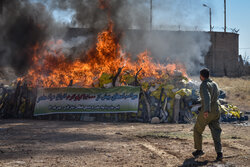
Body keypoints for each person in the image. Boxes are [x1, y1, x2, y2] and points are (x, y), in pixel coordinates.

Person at [192, 68, 223, 161]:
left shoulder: (204, 85)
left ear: (201, 76)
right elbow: (215, 96)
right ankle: (219, 153)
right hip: (216, 110)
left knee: (197, 130)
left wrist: (206, 110)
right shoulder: (215, 84)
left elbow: (207, 97)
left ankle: (199, 150)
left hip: (208, 111)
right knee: (216, 132)